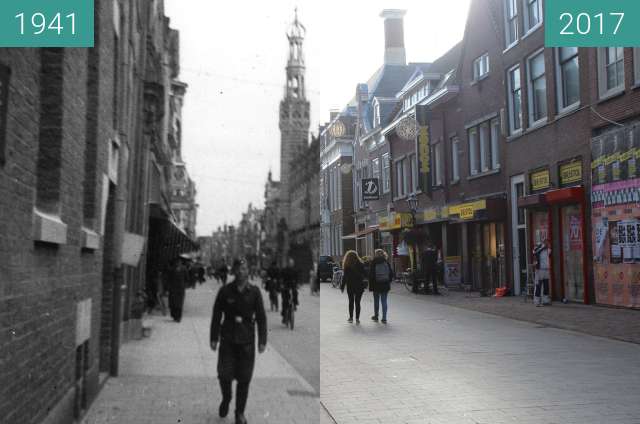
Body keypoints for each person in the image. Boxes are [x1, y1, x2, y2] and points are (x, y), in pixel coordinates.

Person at [210, 258, 267, 424]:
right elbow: (216, 315)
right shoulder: (225, 291)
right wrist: (213, 338)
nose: (241, 272)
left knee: (244, 379)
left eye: (244, 268)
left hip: (247, 341)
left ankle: (239, 413)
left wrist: (262, 340)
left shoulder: (255, 292)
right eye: (238, 269)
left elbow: (262, 318)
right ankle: (226, 399)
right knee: (224, 375)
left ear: (248, 271)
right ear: (234, 271)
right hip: (227, 339)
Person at [340, 250, 367, 324]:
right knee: (358, 302)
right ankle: (357, 319)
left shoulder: (346, 265)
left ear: (347, 257)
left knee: (351, 302)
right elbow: (365, 274)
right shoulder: (361, 264)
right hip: (359, 286)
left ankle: (351, 318)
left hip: (350, 286)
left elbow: (344, 277)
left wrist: (342, 286)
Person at [369, 249, 394, 324]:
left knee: (376, 301)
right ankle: (384, 318)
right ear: (383, 254)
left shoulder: (374, 262)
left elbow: (371, 275)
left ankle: (376, 316)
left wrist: (371, 284)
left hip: (376, 284)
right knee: (384, 301)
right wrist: (388, 281)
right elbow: (391, 274)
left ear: (376, 254)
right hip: (385, 284)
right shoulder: (386, 262)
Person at [533, 238, 552, 307]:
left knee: (546, 285)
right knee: (538, 285)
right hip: (539, 269)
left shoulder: (548, 250)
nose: (547, 244)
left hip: (546, 269)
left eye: (548, 242)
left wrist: (547, 247)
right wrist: (542, 247)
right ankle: (536, 301)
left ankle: (545, 300)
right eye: (546, 242)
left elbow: (550, 252)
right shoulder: (538, 248)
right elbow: (535, 252)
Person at [280, 257, 299, 325]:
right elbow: (281, 277)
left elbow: (297, 279)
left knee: (295, 293)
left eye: (292, 263)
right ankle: (284, 315)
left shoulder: (295, 270)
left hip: (293, 286)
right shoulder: (284, 270)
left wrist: (297, 284)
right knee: (284, 301)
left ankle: (295, 304)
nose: (291, 264)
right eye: (290, 263)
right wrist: (281, 284)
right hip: (285, 286)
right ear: (288, 263)